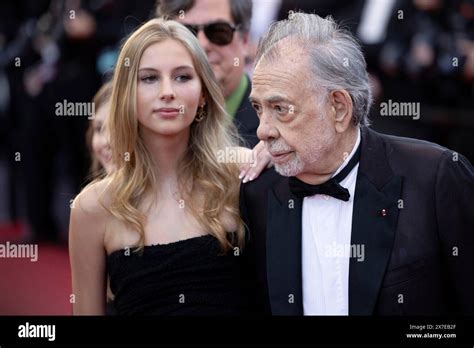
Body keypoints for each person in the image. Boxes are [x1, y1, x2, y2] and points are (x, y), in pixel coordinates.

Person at [240, 13, 474, 315]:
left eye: (280, 108)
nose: (262, 130)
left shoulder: (435, 177)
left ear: (338, 108)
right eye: (259, 108)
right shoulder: (257, 194)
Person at [69, 18, 268, 315]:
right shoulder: (92, 208)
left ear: (203, 94)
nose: (167, 92)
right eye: (149, 78)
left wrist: (278, 157)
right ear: (126, 94)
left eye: (182, 77)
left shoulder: (242, 171)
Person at [156, 0, 260, 148]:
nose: (202, 44)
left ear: (244, 40)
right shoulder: (141, 124)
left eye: (218, 31)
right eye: (187, 33)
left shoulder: (276, 130)